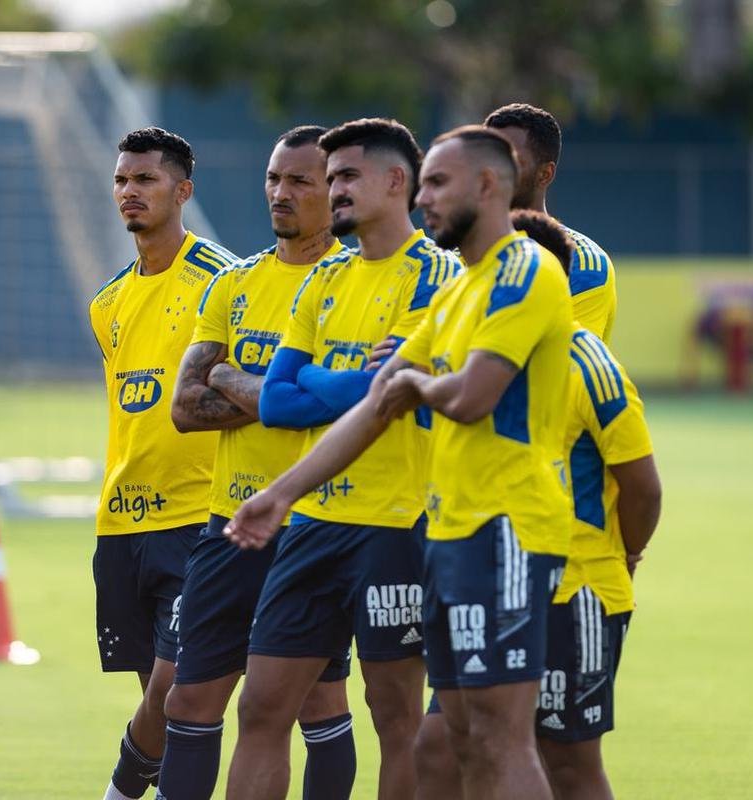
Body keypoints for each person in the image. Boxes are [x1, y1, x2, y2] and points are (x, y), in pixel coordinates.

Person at [227, 125, 576, 800]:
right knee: (461, 738)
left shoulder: (521, 271)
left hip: (505, 530)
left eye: (437, 185)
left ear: (486, 185)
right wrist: (280, 493)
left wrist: (412, 385)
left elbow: (471, 396)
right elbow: (372, 404)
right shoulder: (457, 293)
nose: (424, 201)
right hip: (447, 535)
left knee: (495, 735)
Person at [222, 118, 460, 800]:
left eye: (346, 177)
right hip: (312, 523)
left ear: (396, 182)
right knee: (261, 707)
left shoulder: (435, 277)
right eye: (329, 180)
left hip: (396, 525)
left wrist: (326, 381)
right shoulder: (324, 278)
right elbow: (274, 401)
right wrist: (356, 380)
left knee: (395, 717)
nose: (333, 192)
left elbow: (390, 395)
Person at [413, 210, 663, 800]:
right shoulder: (460, 346)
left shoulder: (587, 360)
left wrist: (624, 555)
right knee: (446, 744)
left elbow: (643, 485)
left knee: (565, 759)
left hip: (572, 586)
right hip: (481, 574)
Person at [158, 125, 352, 800]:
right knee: (187, 704)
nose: (280, 192)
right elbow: (182, 407)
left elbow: (338, 407)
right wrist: (289, 393)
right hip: (228, 523)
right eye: (274, 177)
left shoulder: (352, 288)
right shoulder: (233, 284)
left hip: (316, 527)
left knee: (315, 708)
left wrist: (236, 381)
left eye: (299, 181)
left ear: (337, 192)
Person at [88, 127, 237, 800]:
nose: (129, 191)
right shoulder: (108, 302)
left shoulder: (224, 282)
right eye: (121, 179)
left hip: (199, 521)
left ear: (181, 191)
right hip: (121, 525)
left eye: (144, 180)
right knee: (156, 697)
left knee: (178, 690)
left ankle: (120, 790)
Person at [485, 103, 617, 342]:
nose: (492, 172)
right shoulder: (459, 256)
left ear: (545, 174)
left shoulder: (583, 264)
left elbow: (559, 364)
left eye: (510, 161)